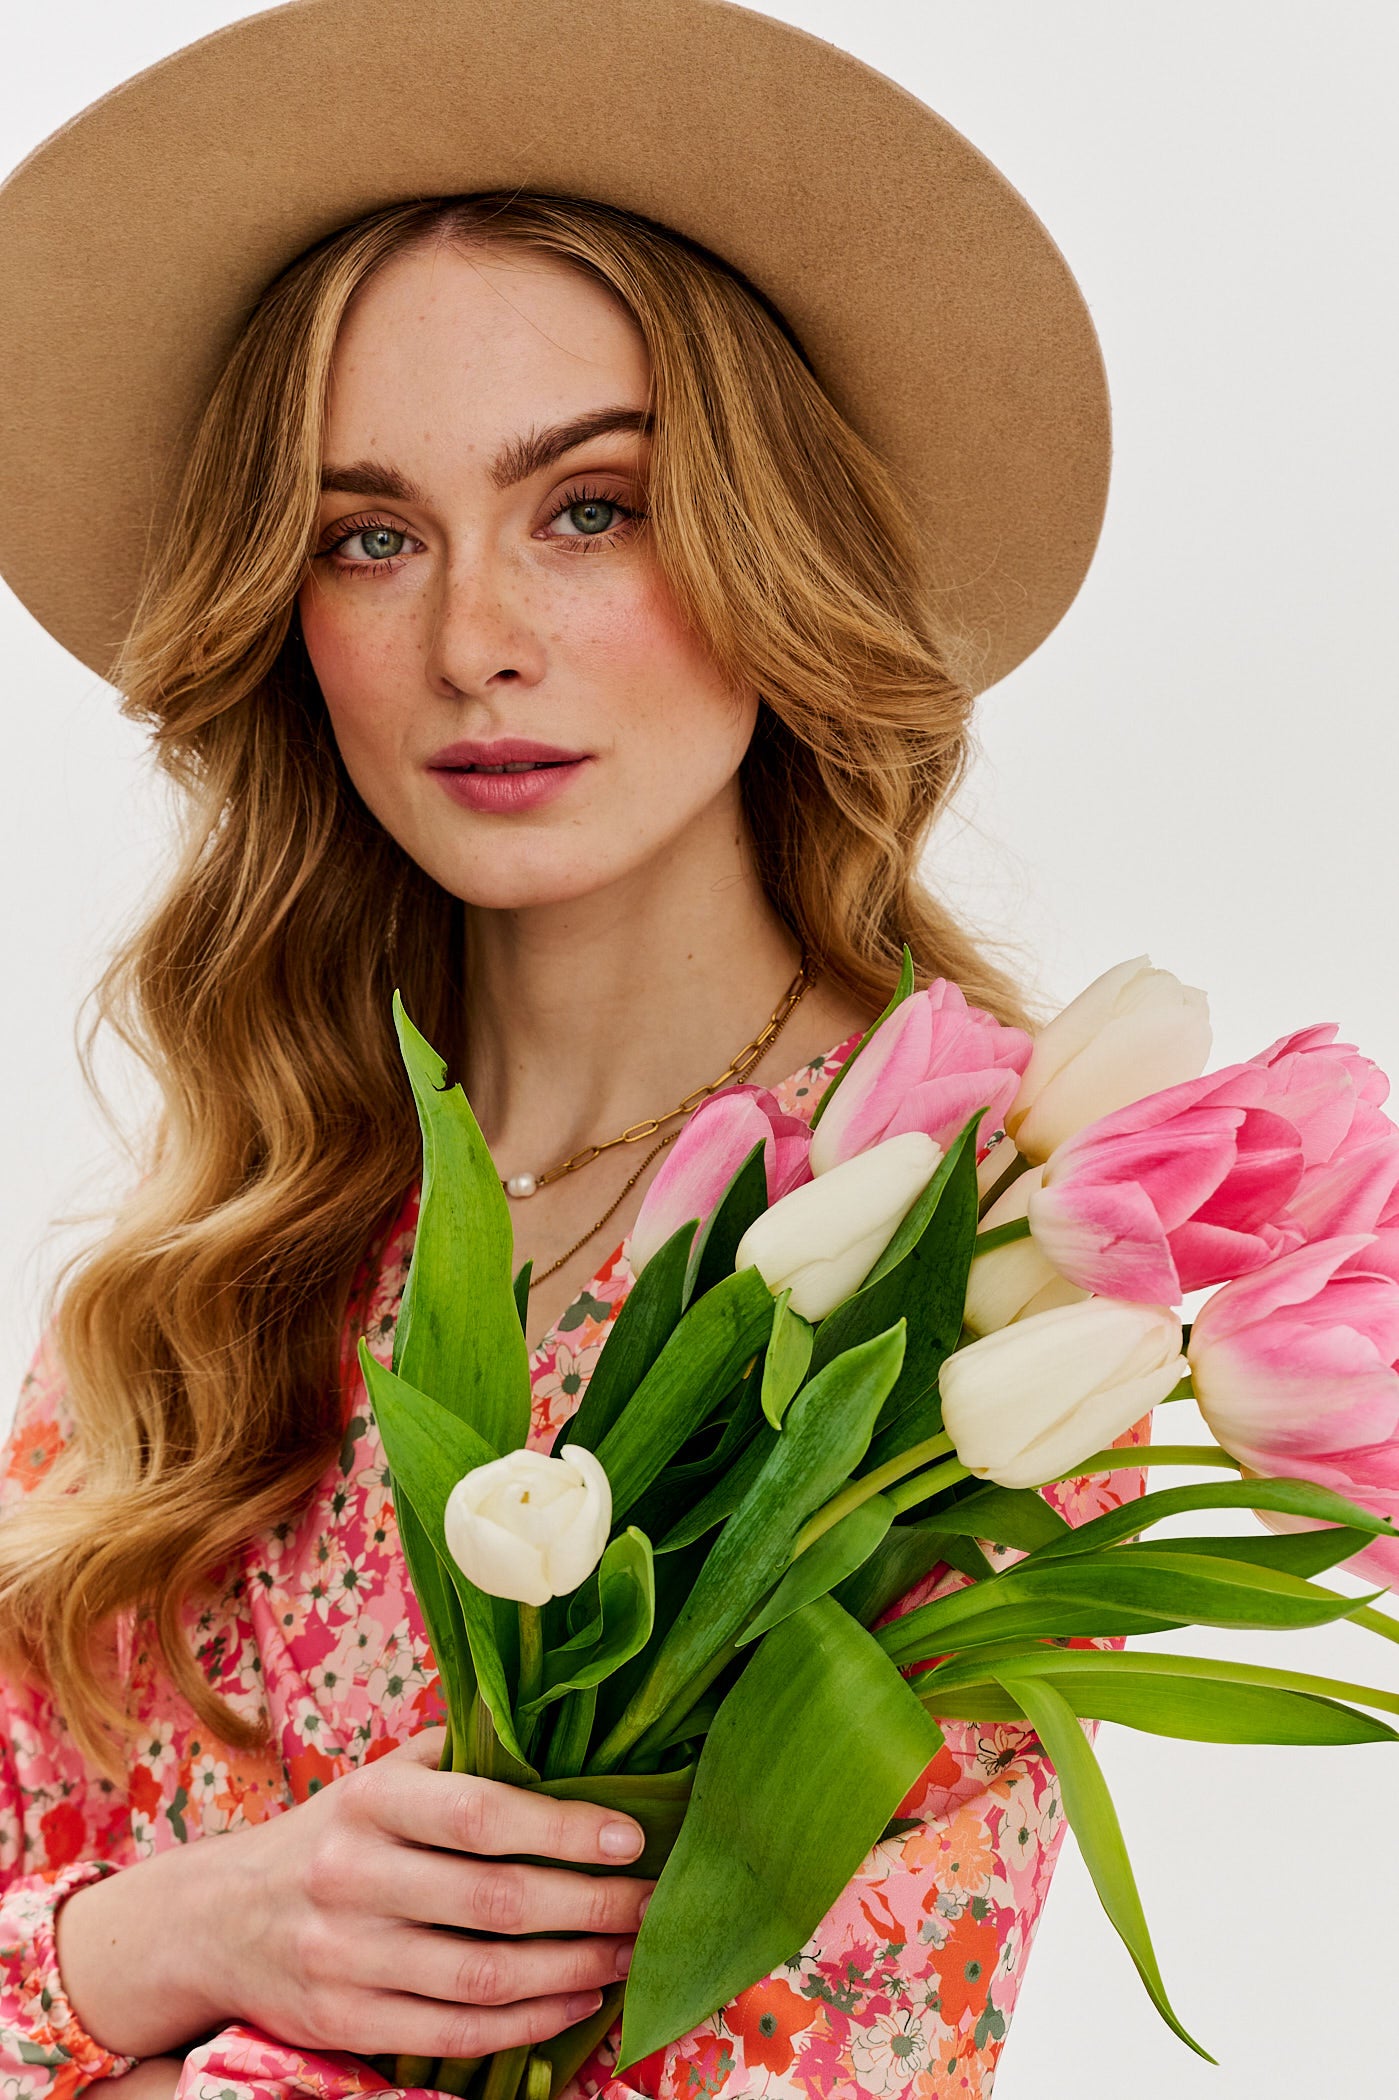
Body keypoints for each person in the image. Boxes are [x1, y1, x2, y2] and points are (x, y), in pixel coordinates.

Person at [0, 4, 1146, 2096]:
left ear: (773, 542)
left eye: (591, 508)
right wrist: (178, 1932)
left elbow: (807, 2051)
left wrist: (108, 2028)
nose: (474, 644)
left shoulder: (970, 1275)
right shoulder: (226, 1239)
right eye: (368, 534)